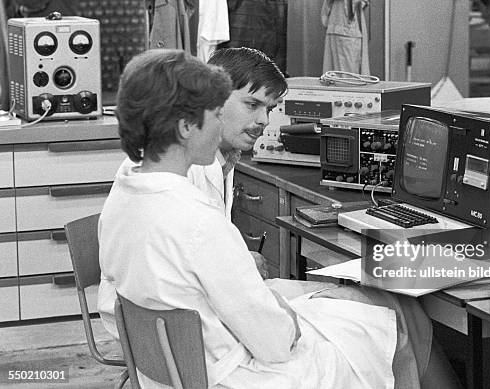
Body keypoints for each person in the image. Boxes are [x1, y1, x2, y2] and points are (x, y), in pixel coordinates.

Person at [99, 49, 461, 389]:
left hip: (171, 363)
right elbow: (274, 343)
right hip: (231, 374)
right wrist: (287, 321)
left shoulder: (126, 195)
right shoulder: (195, 218)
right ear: (185, 126)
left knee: (359, 315)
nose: (219, 121)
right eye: (213, 112)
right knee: (380, 328)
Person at [114, 47, 285, 278]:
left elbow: (200, 247)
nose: (263, 120)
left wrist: (234, 260)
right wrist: (237, 264)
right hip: (163, 308)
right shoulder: (176, 164)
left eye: (270, 109)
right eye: (252, 105)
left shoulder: (223, 155)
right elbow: (170, 262)